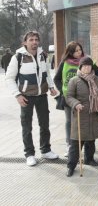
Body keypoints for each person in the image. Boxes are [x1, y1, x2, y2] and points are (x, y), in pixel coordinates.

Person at [5, 31, 59, 166]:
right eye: (31, 40)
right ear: (25, 42)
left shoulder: (43, 55)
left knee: (45, 124)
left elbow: (47, 73)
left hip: (42, 96)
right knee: (27, 127)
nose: (34, 42)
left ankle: (46, 150)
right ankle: (29, 154)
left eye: (36, 39)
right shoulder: (17, 57)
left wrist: (51, 87)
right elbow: (9, 78)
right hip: (26, 97)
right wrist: (17, 95)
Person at [54, 41, 98, 157]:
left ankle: (87, 145)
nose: (78, 52)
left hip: (86, 98)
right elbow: (57, 79)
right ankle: (70, 145)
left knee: (86, 121)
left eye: (80, 49)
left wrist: (93, 86)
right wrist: (63, 91)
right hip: (69, 98)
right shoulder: (64, 63)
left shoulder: (87, 61)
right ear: (70, 52)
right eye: (75, 50)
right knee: (70, 122)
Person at [65, 56, 98, 177]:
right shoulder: (74, 80)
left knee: (91, 139)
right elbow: (69, 97)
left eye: (89, 65)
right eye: (84, 66)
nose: (86, 68)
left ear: (92, 67)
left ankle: (89, 159)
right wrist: (76, 104)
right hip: (80, 115)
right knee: (76, 143)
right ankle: (71, 166)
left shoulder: (97, 80)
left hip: (95, 115)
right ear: (80, 67)